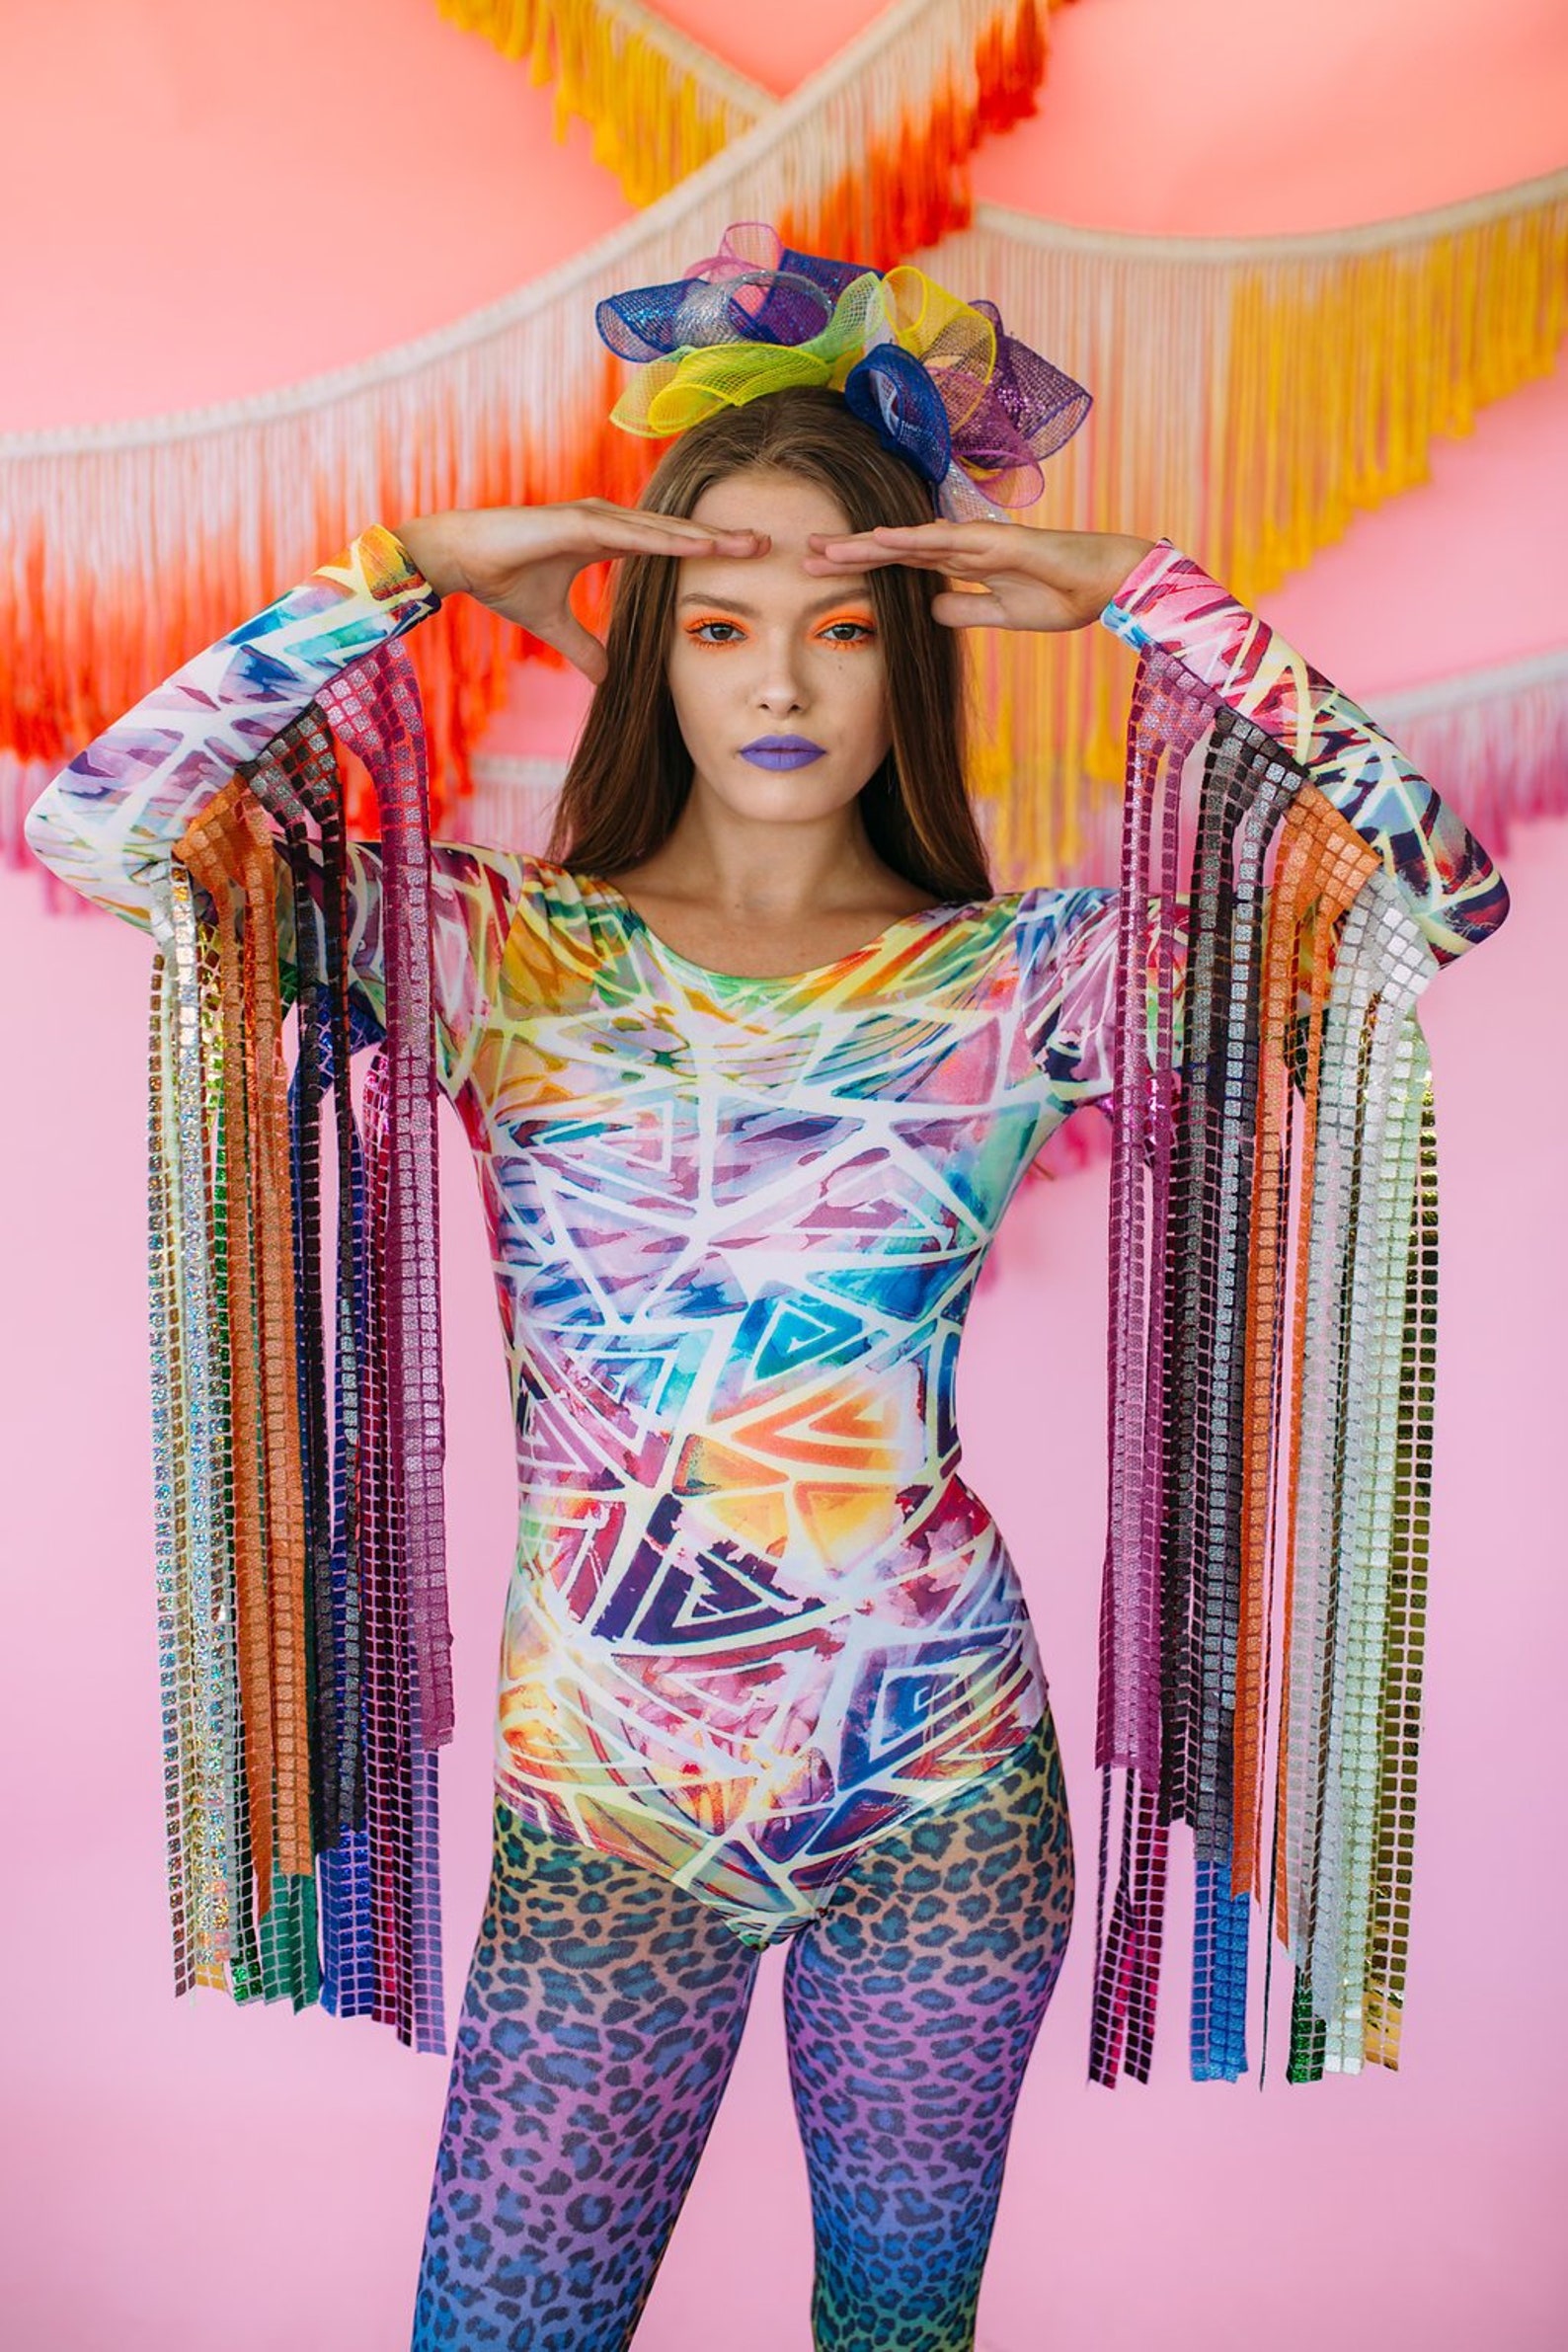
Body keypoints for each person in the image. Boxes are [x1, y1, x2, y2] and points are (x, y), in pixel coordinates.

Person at [24, 249, 1507, 2351]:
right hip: (602, 1813)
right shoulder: (503, 956)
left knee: (891, 2342)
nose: (782, 682)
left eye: (842, 627)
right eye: (721, 627)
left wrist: (1148, 599)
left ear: (910, 662)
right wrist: (411, 569)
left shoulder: (1022, 976)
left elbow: (1433, 895)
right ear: (657, 658)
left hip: (941, 1788)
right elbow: (104, 830)